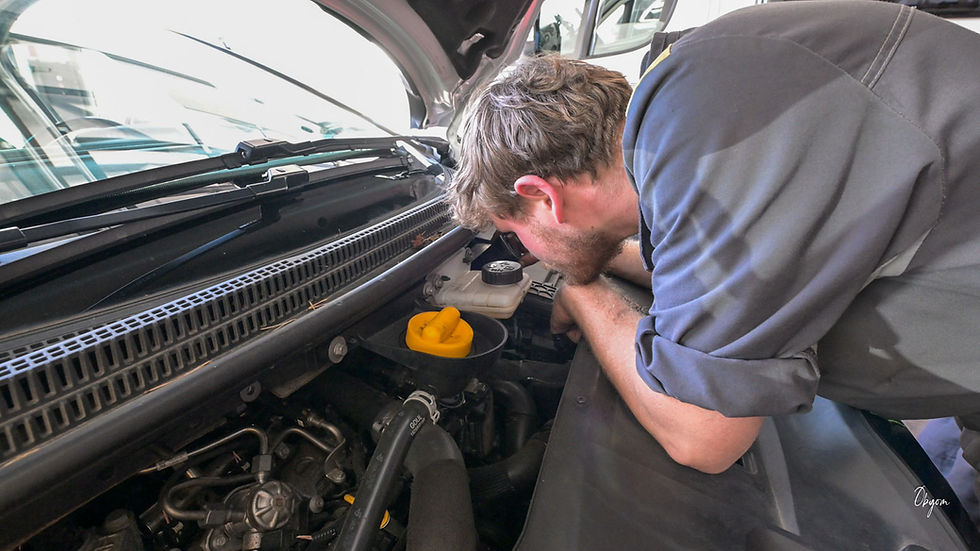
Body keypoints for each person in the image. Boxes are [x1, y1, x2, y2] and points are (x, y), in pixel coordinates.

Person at [447, 0, 980, 477]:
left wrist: (585, 296)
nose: (528, 255)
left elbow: (702, 434)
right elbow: (726, 267)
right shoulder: (696, 104)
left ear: (542, 195)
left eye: (516, 236)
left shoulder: (711, 148)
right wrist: (607, 267)